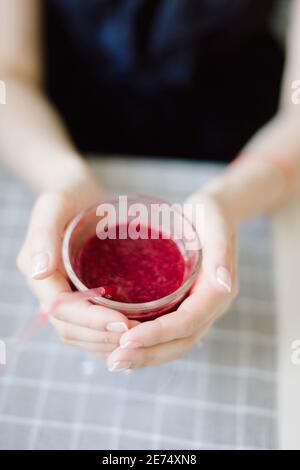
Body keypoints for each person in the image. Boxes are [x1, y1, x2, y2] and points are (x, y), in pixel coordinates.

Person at [0, 0, 299, 372]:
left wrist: (226, 201)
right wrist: (62, 176)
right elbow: (7, 77)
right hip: (69, 129)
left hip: (235, 141)